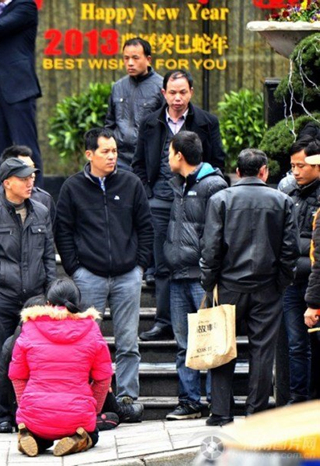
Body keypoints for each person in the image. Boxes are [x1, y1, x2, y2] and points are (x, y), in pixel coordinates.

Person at [55, 127, 151, 419]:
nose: (112, 157)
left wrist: (139, 265)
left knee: (128, 341)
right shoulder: (72, 187)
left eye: (115, 151)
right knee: (86, 343)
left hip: (127, 275)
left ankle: (126, 397)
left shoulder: (131, 184)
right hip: (89, 276)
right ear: (89, 154)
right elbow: (63, 231)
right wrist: (75, 269)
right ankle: (89, 397)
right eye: (105, 151)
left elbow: (145, 227)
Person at [200, 149, 298, 426]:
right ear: (264, 171)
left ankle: (221, 412)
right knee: (262, 351)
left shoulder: (221, 199)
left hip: (228, 285)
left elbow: (211, 248)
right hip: (267, 286)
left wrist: (209, 282)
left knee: (221, 346)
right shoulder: (283, 201)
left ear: (238, 172)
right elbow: (289, 250)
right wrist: (281, 282)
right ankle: (255, 413)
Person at [133, 70, 226, 342]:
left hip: (197, 199)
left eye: (183, 92)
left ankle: (201, 320)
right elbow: (138, 163)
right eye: (172, 92)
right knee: (163, 263)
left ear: (191, 92)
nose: (177, 98)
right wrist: (148, 193)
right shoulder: (150, 122)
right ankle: (164, 321)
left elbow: (218, 160)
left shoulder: (207, 121)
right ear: (163, 93)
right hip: (160, 201)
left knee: (199, 258)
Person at [0, 157, 56, 433]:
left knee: (35, 359)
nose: (30, 182)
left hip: (35, 300)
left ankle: (29, 412)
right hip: (1, 300)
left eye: (31, 177)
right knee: (0, 360)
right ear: (7, 183)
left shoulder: (41, 211)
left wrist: (49, 292)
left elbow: (48, 256)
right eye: (24, 178)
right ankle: (1, 414)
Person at [162, 131, 227, 421]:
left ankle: (216, 401)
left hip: (203, 277)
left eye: (170, 152)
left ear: (179, 155)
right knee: (183, 343)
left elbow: (218, 232)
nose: (167, 158)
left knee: (211, 340)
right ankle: (189, 401)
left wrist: (209, 269)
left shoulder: (214, 185)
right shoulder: (177, 182)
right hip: (177, 274)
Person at [9, 279, 113, 457]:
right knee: (93, 433)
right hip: (77, 415)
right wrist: (92, 410)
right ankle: (79, 439)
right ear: (77, 303)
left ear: (48, 303)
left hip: (35, 414)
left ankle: (30, 435)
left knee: (41, 431)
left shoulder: (30, 327)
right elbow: (103, 378)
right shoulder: (91, 329)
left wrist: (26, 405)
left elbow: (17, 375)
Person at [0, 0, 44, 186]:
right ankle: (2, 198)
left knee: (26, 149)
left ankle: (36, 197)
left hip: (18, 88)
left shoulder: (25, 6)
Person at [278, 136, 320, 404]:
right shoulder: (289, 194)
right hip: (292, 280)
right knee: (295, 345)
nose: (295, 172)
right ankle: (298, 399)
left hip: (315, 280)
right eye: (292, 166)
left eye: (301, 166)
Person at [104, 37, 164, 171]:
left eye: (135, 58)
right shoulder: (118, 87)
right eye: (126, 58)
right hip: (119, 159)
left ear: (148, 60)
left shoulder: (161, 87)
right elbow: (110, 123)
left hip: (147, 158)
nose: (130, 63)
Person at [0, 145, 56, 221]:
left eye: (33, 168)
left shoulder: (44, 200)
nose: (33, 175)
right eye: (26, 171)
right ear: (7, 181)